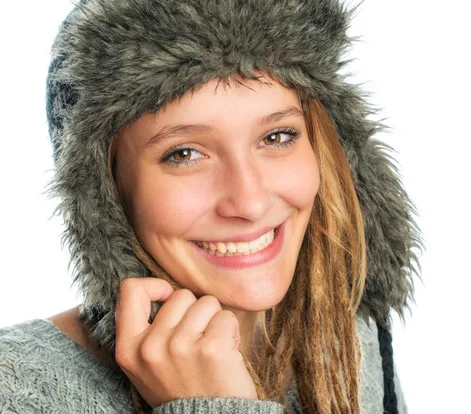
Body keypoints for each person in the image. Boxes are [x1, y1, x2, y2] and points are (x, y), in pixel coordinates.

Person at [0, 0, 422, 412]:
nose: (250, 202)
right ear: (104, 192)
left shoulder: (349, 336)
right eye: (184, 154)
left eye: (276, 137)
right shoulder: (16, 389)